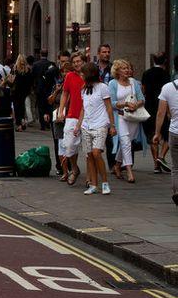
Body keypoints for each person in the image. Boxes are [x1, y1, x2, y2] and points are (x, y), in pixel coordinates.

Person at [76, 61, 115, 195]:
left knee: (96, 153)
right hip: (86, 125)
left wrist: (112, 125)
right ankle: (93, 185)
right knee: (89, 156)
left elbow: (109, 107)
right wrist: (78, 125)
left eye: (83, 73)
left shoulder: (103, 87)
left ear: (89, 74)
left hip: (100, 125)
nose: (81, 75)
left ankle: (105, 182)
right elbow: (83, 109)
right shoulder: (84, 89)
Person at [107, 59, 146, 184]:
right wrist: (125, 103)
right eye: (124, 68)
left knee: (127, 142)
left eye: (128, 68)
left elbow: (142, 99)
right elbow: (111, 103)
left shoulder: (134, 82)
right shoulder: (112, 83)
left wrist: (136, 105)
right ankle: (129, 171)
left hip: (133, 117)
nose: (127, 70)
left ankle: (117, 165)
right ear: (117, 71)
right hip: (120, 117)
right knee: (125, 142)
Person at [56, 52, 86, 186]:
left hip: (88, 116)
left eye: (79, 61)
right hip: (72, 114)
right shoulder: (69, 76)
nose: (76, 64)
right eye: (74, 62)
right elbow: (65, 93)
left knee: (88, 149)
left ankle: (90, 178)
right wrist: (61, 111)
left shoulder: (90, 76)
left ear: (84, 62)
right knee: (69, 145)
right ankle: (74, 168)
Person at [151, 74, 178, 207]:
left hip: (174, 132)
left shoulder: (168, 88)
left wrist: (157, 133)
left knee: (176, 167)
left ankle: (177, 191)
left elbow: (161, 113)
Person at [141, 52, 171, 174]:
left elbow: (143, 89)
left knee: (153, 136)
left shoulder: (146, 73)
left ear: (153, 60)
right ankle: (162, 156)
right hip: (162, 107)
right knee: (168, 136)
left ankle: (156, 164)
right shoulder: (166, 75)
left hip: (148, 107)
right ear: (165, 62)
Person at [10, 55, 34, 131]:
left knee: (16, 107)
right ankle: (23, 119)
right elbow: (31, 81)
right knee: (22, 106)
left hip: (16, 91)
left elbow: (11, 79)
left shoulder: (15, 69)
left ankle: (19, 124)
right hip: (24, 91)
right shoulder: (28, 70)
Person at [31, 51, 53, 130]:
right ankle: (48, 122)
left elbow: (32, 76)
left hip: (39, 88)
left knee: (41, 107)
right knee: (48, 106)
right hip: (49, 88)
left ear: (40, 54)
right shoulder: (51, 64)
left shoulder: (36, 64)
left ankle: (42, 124)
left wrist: (33, 87)